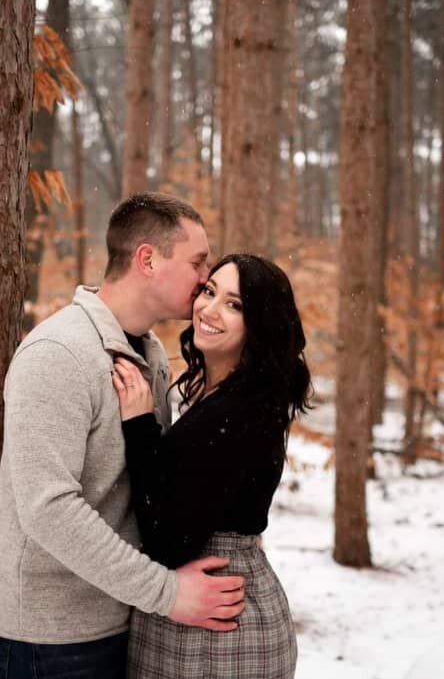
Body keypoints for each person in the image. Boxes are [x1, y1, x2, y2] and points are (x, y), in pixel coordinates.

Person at [0, 194, 246, 679]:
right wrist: (166, 592)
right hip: (53, 638)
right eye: (197, 262)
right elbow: (48, 508)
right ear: (148, 259)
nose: (206, 278)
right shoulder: (58, 352)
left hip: (121, 616)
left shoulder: (151, 353)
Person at [112, 253, 311, 679]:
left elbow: (170, 541)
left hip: (214, 626)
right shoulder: (225, 396)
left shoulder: (238, 411)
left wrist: (140, 426)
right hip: (212, 604)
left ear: (260, 325)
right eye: (209, 291)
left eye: (234, 305)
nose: (209, 309)